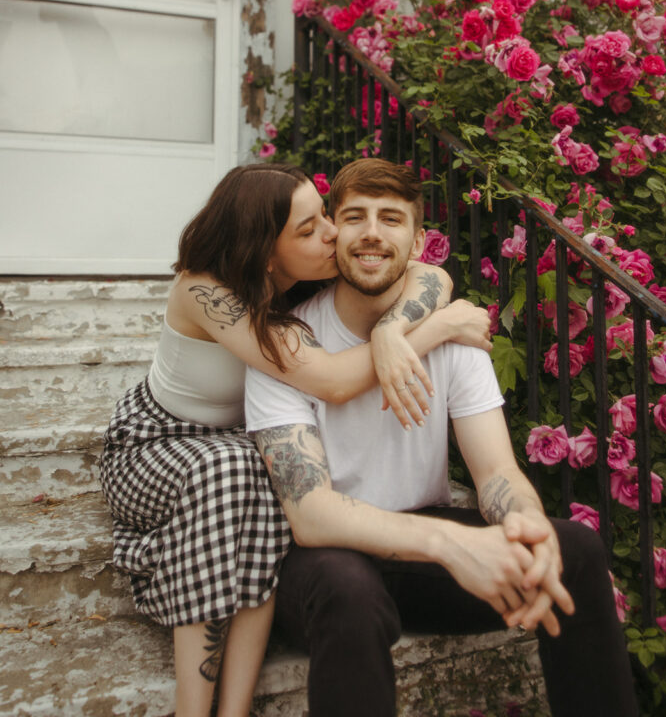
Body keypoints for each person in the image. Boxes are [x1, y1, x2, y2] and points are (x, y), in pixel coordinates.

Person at [245, 158, 639, 717]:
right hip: (325, 560)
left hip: (417, 556)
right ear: (333, 234)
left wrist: (520, 518)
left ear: (418, 241)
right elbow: (310, 516)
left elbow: (497, 473)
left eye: (391, 219)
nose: (373, 233)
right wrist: (456, 546)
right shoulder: (288, 347)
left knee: (572, 548)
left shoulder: (453, 336)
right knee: (348, 591)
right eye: (355, 217)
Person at [99, 161, 492, 717]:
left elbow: (430, 275)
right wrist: (437, 328)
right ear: (265, 251)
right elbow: (332, 382)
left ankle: (234, 708)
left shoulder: (306, 277)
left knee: (263, 475)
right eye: (308, 230)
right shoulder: (206, 290)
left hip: (237, 444)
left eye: (323, 217)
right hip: (154, 444)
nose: (333, 234)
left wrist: (388, 327)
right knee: (233, 468)